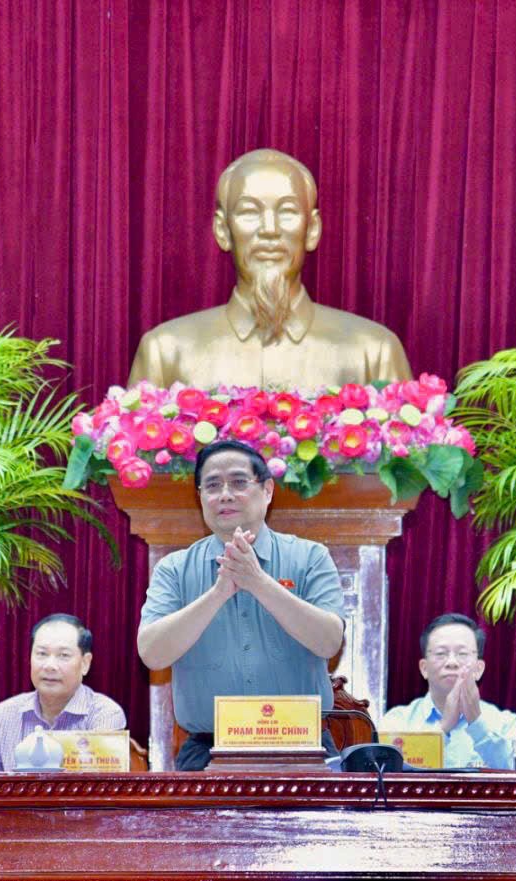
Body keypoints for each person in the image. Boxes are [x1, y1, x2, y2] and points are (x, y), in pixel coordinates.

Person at [127, 148, 412, 389]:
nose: (270, 230)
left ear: (312, 230)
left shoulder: (374, 353)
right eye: (249, 212)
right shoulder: (165, 354)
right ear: (222, 230)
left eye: (287, 211)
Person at [138, 440, 345, 770]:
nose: (225, 495)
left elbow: (329, 641)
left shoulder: (310, 558)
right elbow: (152, 653)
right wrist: (218, 593)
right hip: (207, 750)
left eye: (238, 482)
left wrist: (258, 581)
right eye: (212, 485)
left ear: (267, 490)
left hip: (303, 746)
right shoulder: (174, 569)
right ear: (200, 497)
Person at [0, 613, 126, 771]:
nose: (50, 666)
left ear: (85, 663)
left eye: (63, 655)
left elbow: (101, 783)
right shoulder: (3, 714)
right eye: (42, 654)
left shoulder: (104, 714)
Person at [380, 613, 516, 769]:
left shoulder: (506, 724)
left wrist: (477, 723)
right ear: (424, 668)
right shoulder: (397, 722)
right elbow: (387, 775)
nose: (452, 662)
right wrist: (443, 727)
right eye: (441, 654)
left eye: (462, 654)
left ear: (478, 669)